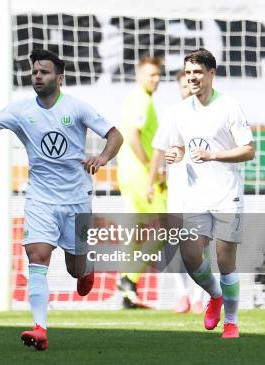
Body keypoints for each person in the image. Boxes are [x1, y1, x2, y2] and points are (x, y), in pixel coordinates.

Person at [0, 49, 123, 351]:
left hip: (76, 199)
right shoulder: (20, 110)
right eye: (34, 72)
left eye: (44, 71)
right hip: (40, 198)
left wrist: (102, 157)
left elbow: (115, 135)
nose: (37, 76)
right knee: (37, 256)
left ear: (59, 77)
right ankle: (40, 328)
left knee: (75, 268)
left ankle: (86, 270)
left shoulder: (78, 107)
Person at [165, 48, 254, 338]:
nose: (192, 78)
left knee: (225, 260)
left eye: (198, 73)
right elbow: (178, 145)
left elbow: (249, 150)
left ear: (211, 74)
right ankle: (215, 296)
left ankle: (231, 321)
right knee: (190, 257)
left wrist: (213, 155)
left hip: (227, 195)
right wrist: (174, 153)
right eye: (188, 73)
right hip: (195, 196)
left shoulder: (229, 106)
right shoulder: (180, 111)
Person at [148, 70, 208, 314]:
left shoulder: (210, 115)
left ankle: (198, 298)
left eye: (192, 84)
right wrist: (150, 181)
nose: (189, 89)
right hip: (178, 189)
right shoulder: (173, 115)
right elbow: (158, 150)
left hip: (205, 189)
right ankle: (182, 294)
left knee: (201, 245)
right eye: (184, 86)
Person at [115, 57, 164, 308]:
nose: (155, 79)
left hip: (127, 172)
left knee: (136, 232)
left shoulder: (136, 97)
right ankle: (128, 278)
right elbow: (133, 135)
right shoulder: (142, 100)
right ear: (139, 75)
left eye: (158, 75)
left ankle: (127, 293)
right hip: (141, 174)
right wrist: (151, 168)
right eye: (150, 75)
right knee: (169, 223)